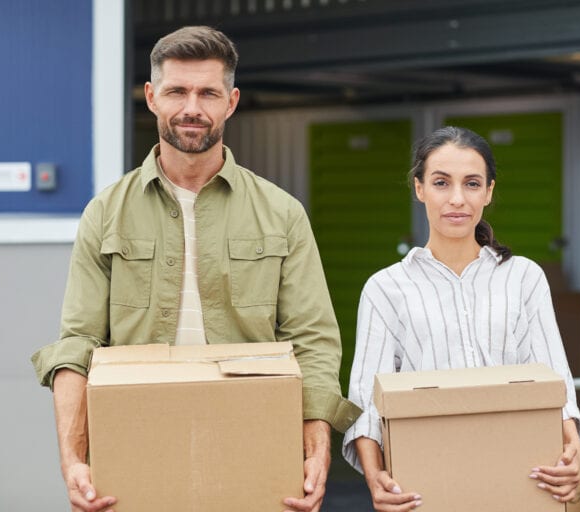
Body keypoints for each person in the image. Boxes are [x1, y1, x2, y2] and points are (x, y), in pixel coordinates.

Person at [31, 25, 359, 512]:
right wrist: (72, 458)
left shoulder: (281, 212)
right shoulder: (105, 213)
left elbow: (312, 340)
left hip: (254, 445)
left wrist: (316, 448)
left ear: (231, 101)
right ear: (151, 97)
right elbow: (77, 344)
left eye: (208, 92)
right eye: (177, 91)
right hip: (136, 447)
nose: (192, 107)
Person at [341, 126, 580, 511]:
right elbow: (366, 401)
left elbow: (555, 381)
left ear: (488, 191)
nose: (457, 199)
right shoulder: (386, 288)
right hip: (427, 486)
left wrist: (572, 451)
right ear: (419, 188)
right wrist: (375, 478)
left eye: (472, 184)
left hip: (522, 480)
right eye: (441, 182)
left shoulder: (523, 278)